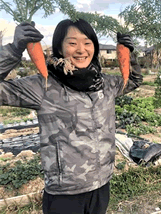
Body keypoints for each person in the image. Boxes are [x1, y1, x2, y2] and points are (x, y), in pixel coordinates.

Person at [0, 19, 143, 214]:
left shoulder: (105, 84)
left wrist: (127, 52)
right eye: (72, 43)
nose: (81, 50)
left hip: (101, 186)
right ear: (59, 47)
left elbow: (134, 80)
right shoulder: (43, 86)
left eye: (87, 43)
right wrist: (14, 50)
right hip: (64, 195)